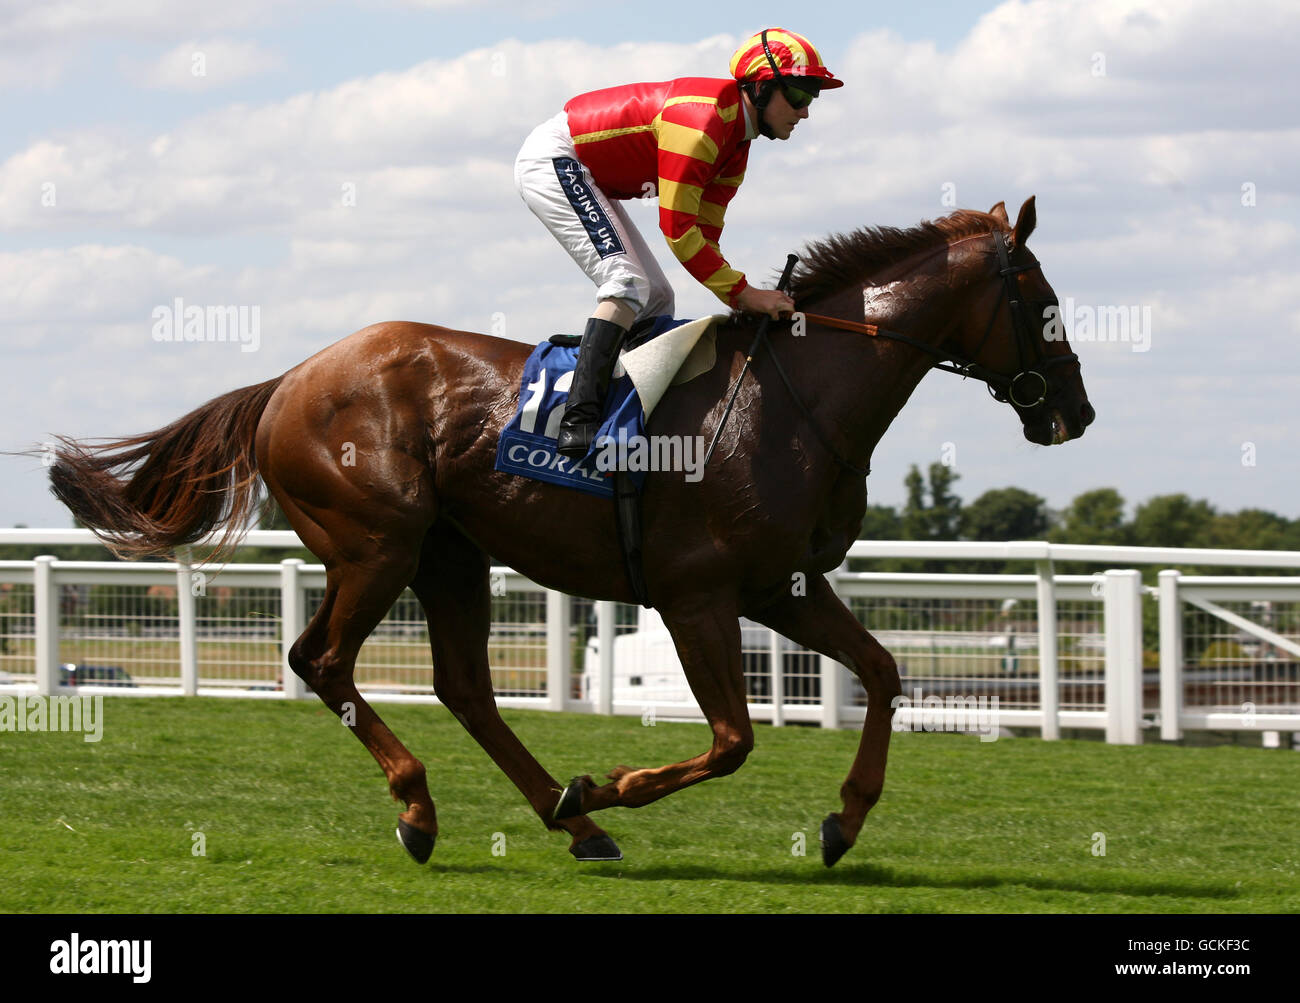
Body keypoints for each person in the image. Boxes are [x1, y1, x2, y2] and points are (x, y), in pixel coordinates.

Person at [514, 27, 843, 459]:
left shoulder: (737, 143)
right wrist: (745, 296)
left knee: (657, 298)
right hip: (557, 160)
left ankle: (623, 412)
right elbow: (677, 229)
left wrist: (743, 293)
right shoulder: (703, 124)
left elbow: (705, 229)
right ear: (761, 88)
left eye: (811, 98)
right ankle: (579, 419)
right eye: (799, 94)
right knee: (626, 282)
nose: (804, 112)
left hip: (590, 173)